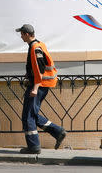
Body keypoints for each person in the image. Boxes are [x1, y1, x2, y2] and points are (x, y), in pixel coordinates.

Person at [16, 24, 66, 154]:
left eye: (21, 34)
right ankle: (58, 131)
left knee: (28, 116)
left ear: (27, 34)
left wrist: (35, 87)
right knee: (31, 114)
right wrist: (29, 74)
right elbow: (37, 67)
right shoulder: (38, 44)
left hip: (39, 85)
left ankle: (34, 146)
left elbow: (40, 68)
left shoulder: (35, 47)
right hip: (41, 84)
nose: (21, 36)